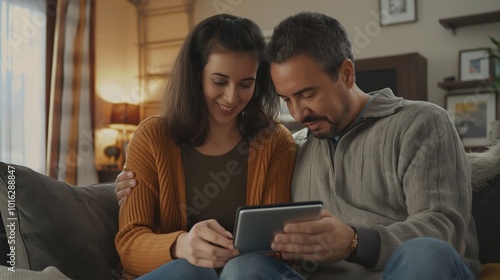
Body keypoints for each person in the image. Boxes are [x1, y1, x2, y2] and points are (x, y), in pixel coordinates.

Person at [116, 12, 481, 280]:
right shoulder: (297, 144)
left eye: (307, 94)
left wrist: (355, 242)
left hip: (402, 270)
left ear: (347, 73)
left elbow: (444, 227)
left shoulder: (420, 122)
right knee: (244, 270)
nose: (297, 112)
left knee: (425, 254)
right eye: (285, 99)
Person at [114, 14, 299, 280]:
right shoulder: (152, 137)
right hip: (178, 274)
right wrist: (182, 245)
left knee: (241, 271)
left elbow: (279, 250)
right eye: (219, 81)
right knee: (192, 270)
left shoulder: (275, 143)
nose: (232, 97)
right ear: (196, 74)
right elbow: (129, 246)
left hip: (244, 275)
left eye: (246, 84)